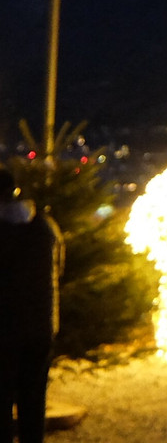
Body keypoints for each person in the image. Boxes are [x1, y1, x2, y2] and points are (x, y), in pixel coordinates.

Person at [0, 167, 64, 443]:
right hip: (42, 327)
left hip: (5, 329)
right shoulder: (45, 225)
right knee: (33, 399)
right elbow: (59, 269)